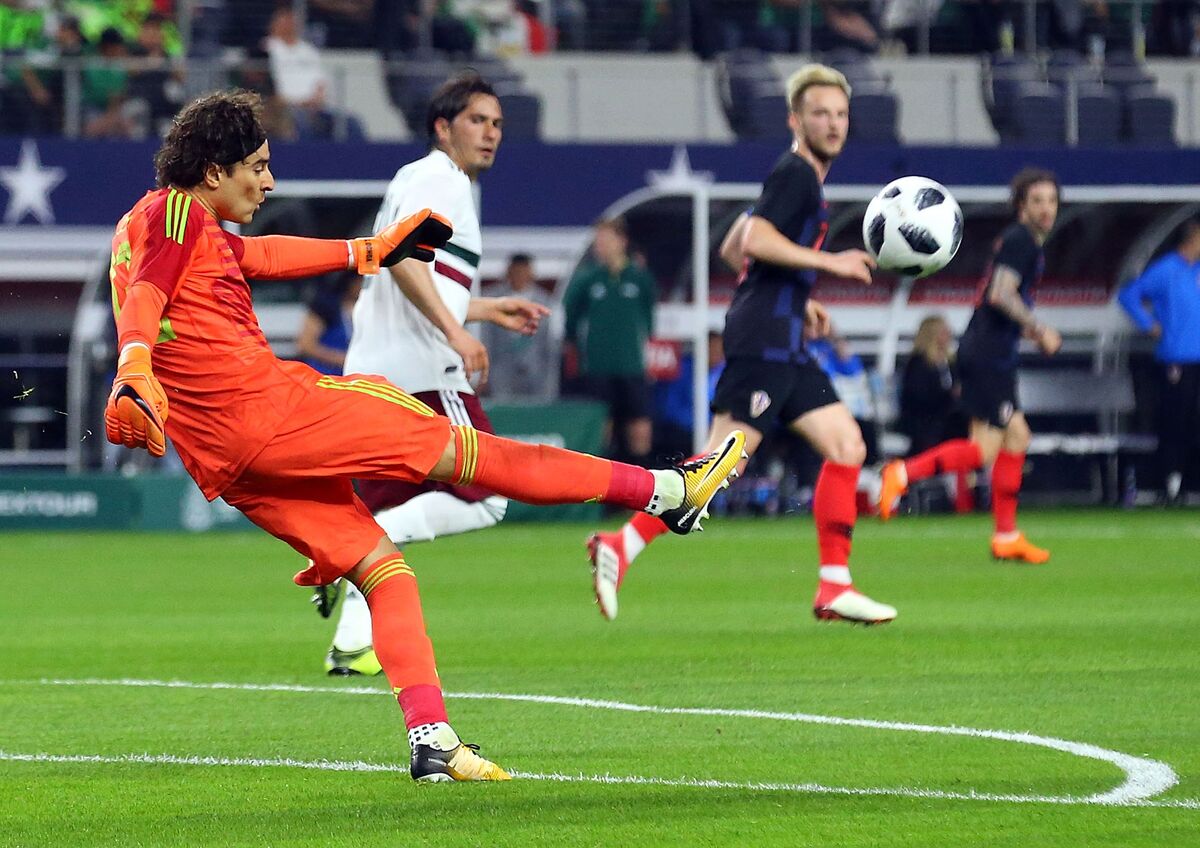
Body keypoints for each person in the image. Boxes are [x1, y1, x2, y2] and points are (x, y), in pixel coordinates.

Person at [103, 89, 744, 782]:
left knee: (385, 570)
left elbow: (259, 258)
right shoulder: (172, 218)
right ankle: (669, 491)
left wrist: (369, 250)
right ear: (210, 173)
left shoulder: (166, 227)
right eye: (257, 166)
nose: (269, 181)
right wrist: (132, 364)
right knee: (477, 456)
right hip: (269, 412)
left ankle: (433, 740)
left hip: (227, 463)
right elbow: (148, 296)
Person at [586, 64, 896, 625]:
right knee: (713, 472)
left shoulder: (801, 179)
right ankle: (620, 545)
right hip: (763, 340)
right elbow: (752, 239)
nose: (832, 122)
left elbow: (735, 247)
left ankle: (834, 585)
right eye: (819, 113)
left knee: (847, 446)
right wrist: (829, 263)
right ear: (795, 120)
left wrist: (799, 299)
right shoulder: (797, 175)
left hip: (783, 338)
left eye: (840, 113)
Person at [316, 73, 551, 676]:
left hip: (380, 372)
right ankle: (341, 561)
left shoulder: (422, 180)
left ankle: (348, 643)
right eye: (478, 121)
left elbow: (412, 276)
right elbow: (398, 259)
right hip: (425, 372)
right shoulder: (438, 179)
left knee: (381, 516)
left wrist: (482, 308)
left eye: (498, 124)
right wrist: (455, 332)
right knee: (491, 496)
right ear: (443, 127)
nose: (491, 133)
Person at [877, 168, 1063, 563]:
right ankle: (903, 474)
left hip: (992, 354)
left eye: (1051, 200)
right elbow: (1000, 294)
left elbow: (1000, 300)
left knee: (1010, 441)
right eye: (1037, 201)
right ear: (1021, 207)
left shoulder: (1023, 242)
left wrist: (1023, 327)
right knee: (990, 448)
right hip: (988, 358)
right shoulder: (1021, 241)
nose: (1046, 209)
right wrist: (1039, 327)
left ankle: (1007, 536)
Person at [1118, 215, 1200, 505]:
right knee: (1175, 421)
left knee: (1195, 422)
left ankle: (1192, 482)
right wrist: (1148, 323)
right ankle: (1172, 483)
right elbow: (1128, 294)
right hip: (1176, 357)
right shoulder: (1167, 270)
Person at [563, 217, 657, 466]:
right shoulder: (588, 279)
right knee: (602, 428)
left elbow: (649, 320)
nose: (600, 246)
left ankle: (644, 489)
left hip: (631, 367)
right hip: (597, 368)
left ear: (621, 241)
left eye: (605, 239)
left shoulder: (640, 278)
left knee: (639, 427)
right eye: (598, 241)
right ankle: (601, 496)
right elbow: (571, 319)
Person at [480, 253, 558, 400]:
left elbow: (550, 345)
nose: (520, 276)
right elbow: (486, 339)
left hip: (536, 373)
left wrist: (551, 384)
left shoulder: (546, 301)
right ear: (508, 272)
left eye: (523, 271)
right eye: (516, 271)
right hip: (501, 373)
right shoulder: (492, 299)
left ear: (531, 273)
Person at [296, 273, 361, 375]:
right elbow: (305, 345)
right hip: (324, 375)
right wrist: (341, 359)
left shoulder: (369, 310)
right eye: (360, 280)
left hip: (353, 377)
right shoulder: (325, 307)